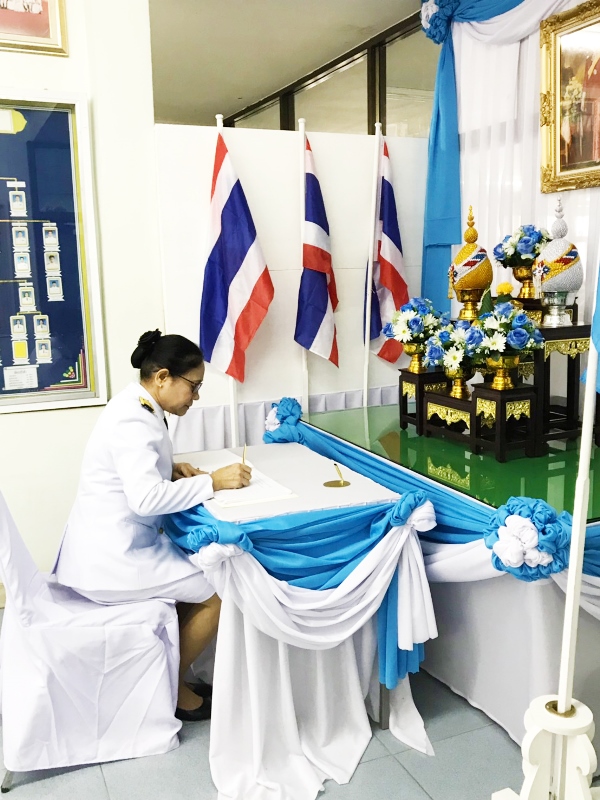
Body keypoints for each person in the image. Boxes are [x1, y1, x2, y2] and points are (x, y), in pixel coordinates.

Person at [53, 330, 251, 721]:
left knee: (199, 570)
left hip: (106, 546)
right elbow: (144, 499)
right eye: (193, 386)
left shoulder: (135, 405)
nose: (195, 398)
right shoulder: (135, 420)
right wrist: (213, 482)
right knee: (220, 589)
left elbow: (132, 469)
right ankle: (170, 687)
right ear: (162, 377)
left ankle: (169, 672)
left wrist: (168, 468)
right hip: (112, 561)